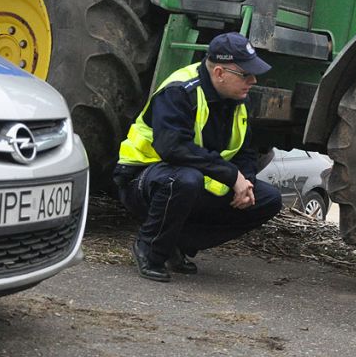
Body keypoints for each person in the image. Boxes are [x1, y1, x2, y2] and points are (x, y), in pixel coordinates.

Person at [114, 32, 282, 282]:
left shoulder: (238, 99)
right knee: (185, 179)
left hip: (194, 179)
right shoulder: (179, 91)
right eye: (245, 74)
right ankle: (150, 248)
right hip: (142, 179)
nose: (254, 80)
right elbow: (173, 149)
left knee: (268, 199)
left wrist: (244, 181)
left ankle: (176, 242)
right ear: (219, 73)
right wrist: (230, 175)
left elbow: (246, 150)